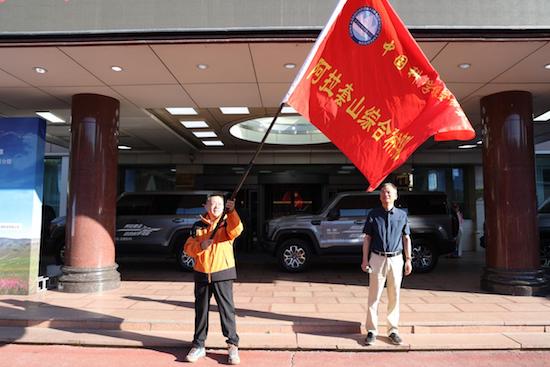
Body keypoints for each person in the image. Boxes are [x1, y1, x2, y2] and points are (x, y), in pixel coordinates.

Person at [184, 193, 243, 364]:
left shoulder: (227, 223)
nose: (215, 206)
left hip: (223, 272)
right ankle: (198, 345)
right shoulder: (197, 226)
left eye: (219, 204)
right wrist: (200, 246)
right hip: (201, 273)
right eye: (212, 203)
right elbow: (188, 248)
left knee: (227, 311)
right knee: (200, 311)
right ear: (205, 206)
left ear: (224, 206)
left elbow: (237, 230)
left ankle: (232, 345)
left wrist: (232, 212)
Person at [361, 183, 412, 346]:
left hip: (396, 259)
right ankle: (371, 330)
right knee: (374, 296)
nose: (385, 195)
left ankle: (393, 330)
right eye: (383, 192)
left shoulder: (402, 215)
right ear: (379, 196)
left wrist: (408, 259)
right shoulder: (373, 214)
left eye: (389, 192)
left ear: (396, 196)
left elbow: (406, 238)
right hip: (377, 258)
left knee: (394, 295)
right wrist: (364, 259)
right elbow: (367, 238)